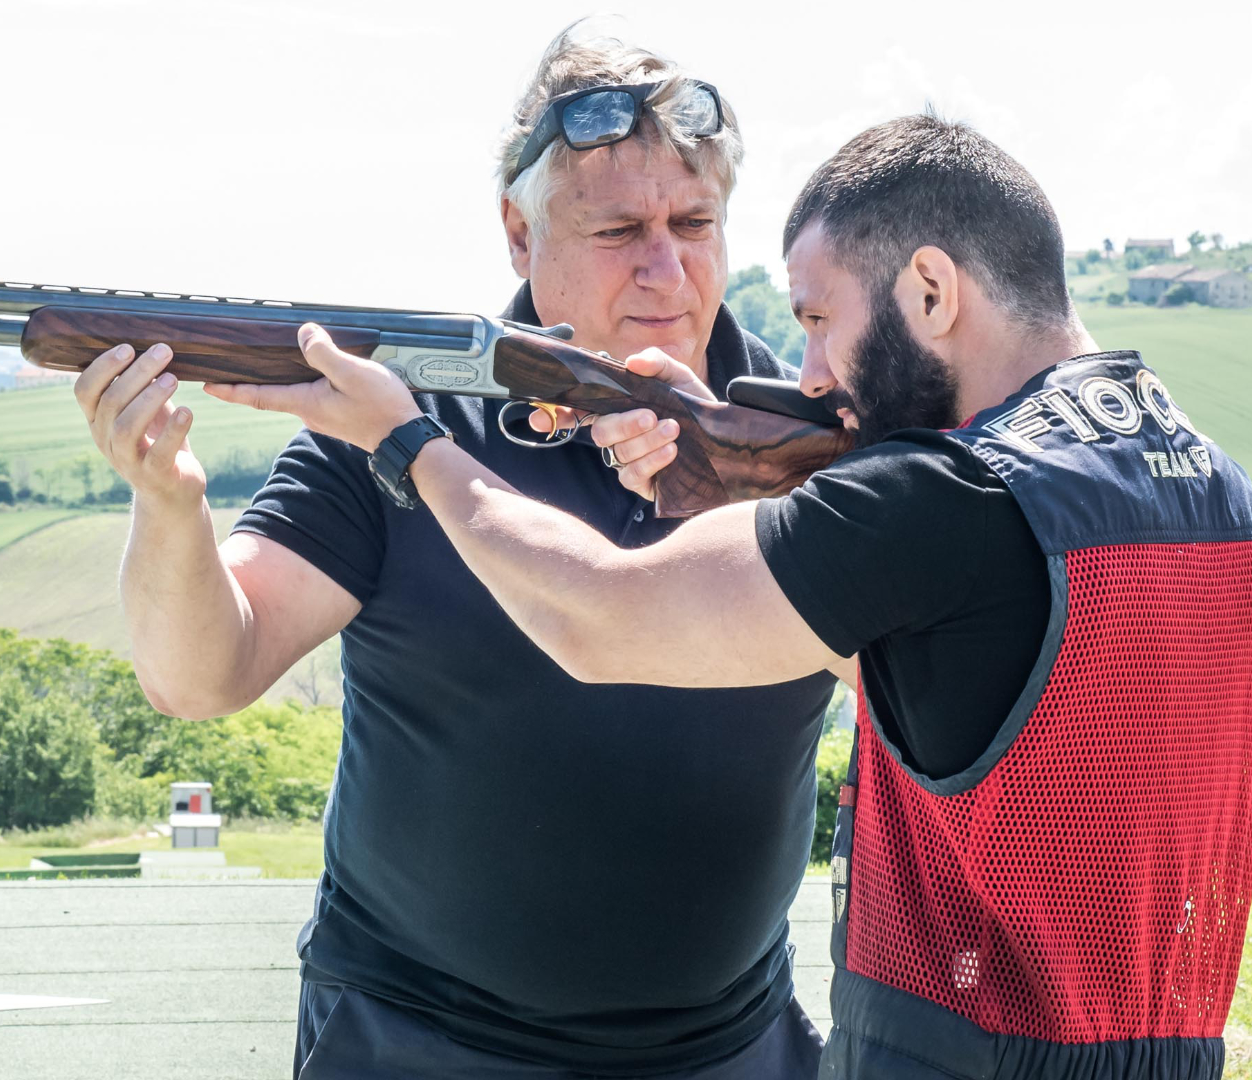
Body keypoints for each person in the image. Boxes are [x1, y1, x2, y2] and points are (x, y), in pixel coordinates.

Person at [212, 113, 1252, 1080]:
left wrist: (406, 438)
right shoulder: (1210, 488)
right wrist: (734, 476)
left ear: (931, 292)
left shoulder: (939, 504)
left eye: (821, 320)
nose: (810, 373)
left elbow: (597, 616)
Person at [72, 24, 833, 1080]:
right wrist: (167, 504)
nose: (667, 266)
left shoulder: (794, 439)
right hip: (417, 1039)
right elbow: (203, 672)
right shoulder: (402, 412)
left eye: (695, 222)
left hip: (728, 1045)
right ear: (519, 238)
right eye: (618, 229)